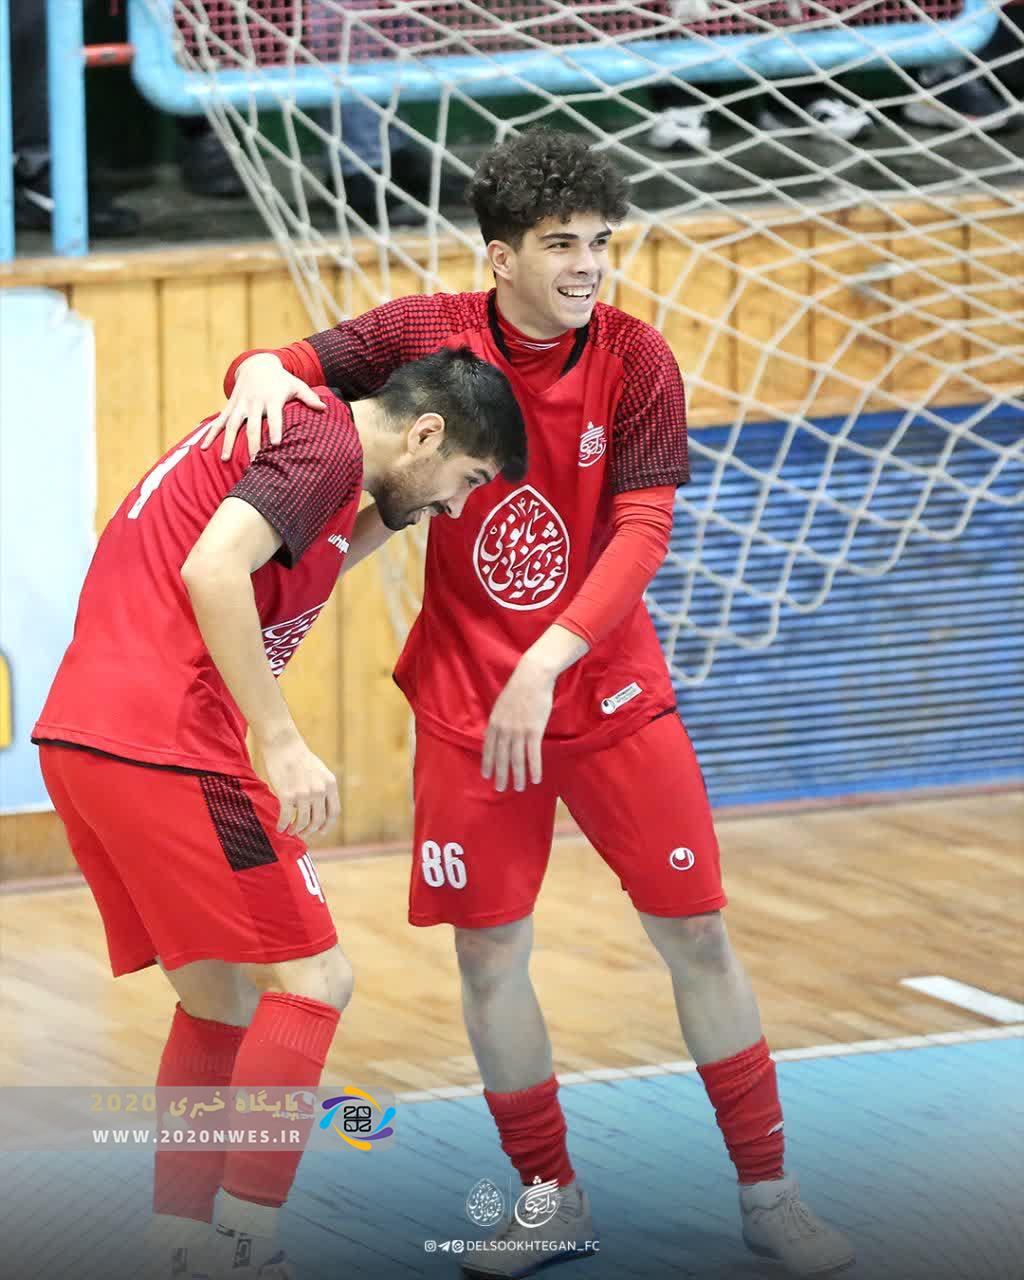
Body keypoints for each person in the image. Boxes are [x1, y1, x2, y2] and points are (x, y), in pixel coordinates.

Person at [204, 128, 855, 1280]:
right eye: (561, 243)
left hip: (607, 693)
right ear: (501, 254)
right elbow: (286, 362)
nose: (587, 263)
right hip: (468, 704)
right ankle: (548, 1197)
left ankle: (770, 1192)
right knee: (490, 956)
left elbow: (642, 530)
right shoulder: (425, 331)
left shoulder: (637, 358)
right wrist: (257, 367)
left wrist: (547, 660)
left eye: (599, 242)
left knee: (696, 933)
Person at [32, 349, 527, 1280]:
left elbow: (330, 538)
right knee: (317, 981)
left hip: (84, 739)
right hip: (170, 742)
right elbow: (214, 570)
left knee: (216, 1001)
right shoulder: (324, 447)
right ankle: (244, 1246)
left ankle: (182, 1245)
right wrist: (282, 738)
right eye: (465, 480)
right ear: (424, 434)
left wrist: (401, 505)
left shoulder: (321, 462)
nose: (459, 508)